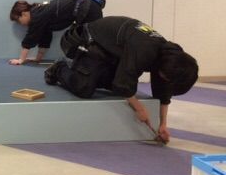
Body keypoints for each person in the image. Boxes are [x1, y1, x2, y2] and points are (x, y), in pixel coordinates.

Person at [44, 16, 198, 142]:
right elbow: (123, 83)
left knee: (113, 85)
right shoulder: (144, 49)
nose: (166, 80)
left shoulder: (171, 56)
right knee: (83, 87)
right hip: (84, 40)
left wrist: (163, 124)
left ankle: (92, 73)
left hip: (111, 51)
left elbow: (163, 92)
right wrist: (139, 109)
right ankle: (59, 69)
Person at [8, 0, 105, 65]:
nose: (21, 24)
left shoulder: (36, 16)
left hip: (88, 9)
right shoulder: (39, 11)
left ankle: (98, 66)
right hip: (89, 7)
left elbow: (30, 38)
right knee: (88, 40)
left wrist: (21, 60)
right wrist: (38, 58)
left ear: (24, 14)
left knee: (92, 41)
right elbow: (45, 37)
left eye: (18, 20)